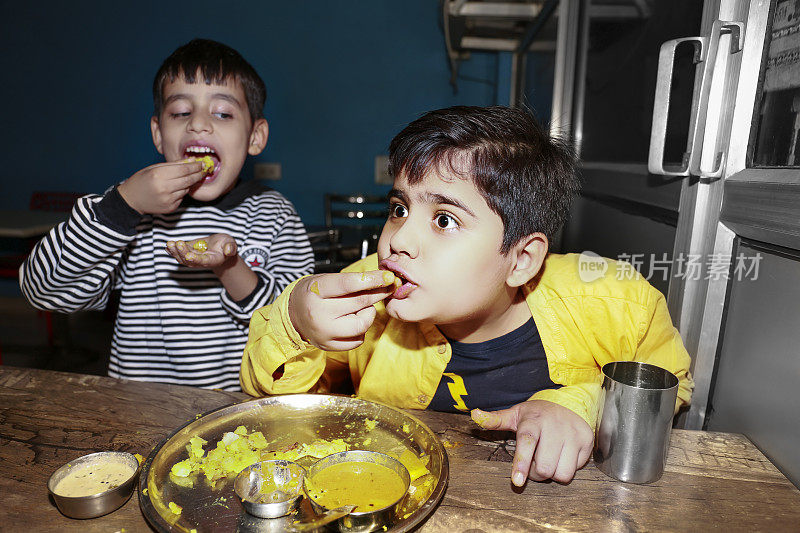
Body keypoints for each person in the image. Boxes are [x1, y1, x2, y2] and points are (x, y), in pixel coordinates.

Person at [240, 105, 693, 484]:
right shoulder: (366, 295)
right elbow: (278, 402)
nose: (398, 240)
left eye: (443, 220)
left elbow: (669, 382)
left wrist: (580, 406)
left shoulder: (613, 300)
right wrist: (296, 325)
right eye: (399, 209)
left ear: (521, 260)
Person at [20, 39, 313, 390]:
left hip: (235, 410)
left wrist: (229, 266)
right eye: (180, 112)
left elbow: (295, 324)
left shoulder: (273, 214)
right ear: (159, 134)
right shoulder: (131, 213)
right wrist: (122, 205)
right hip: (138, 406)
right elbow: (42, 290)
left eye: (222, 113)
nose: (199, 125)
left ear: (255, 136)